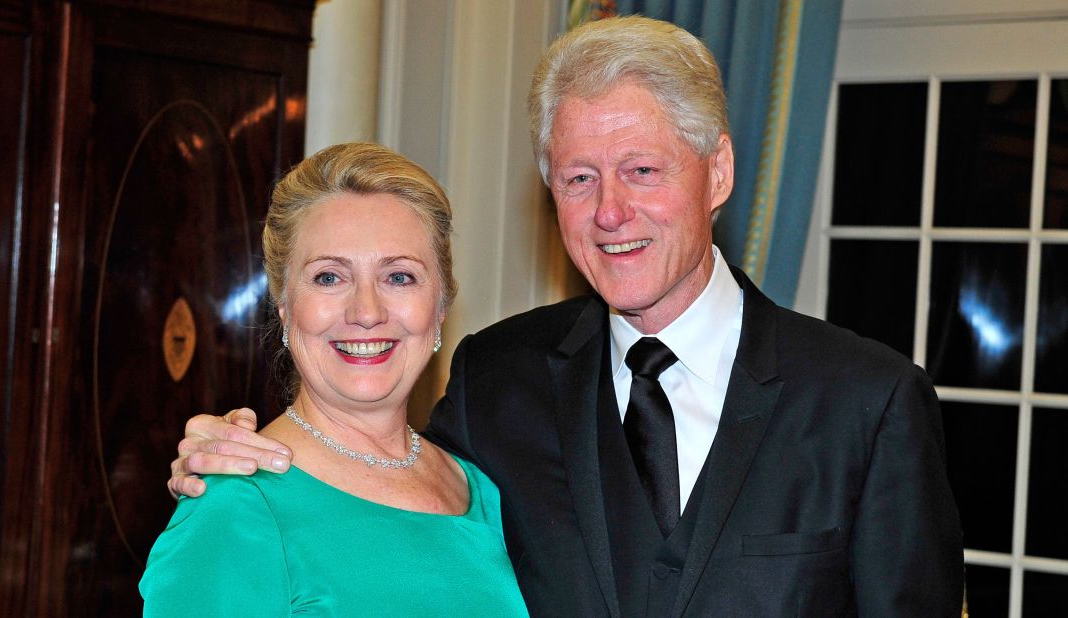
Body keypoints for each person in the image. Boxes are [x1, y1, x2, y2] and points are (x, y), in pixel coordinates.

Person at [168, 16, 964, 617]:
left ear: (717, 172)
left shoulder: (870, 404)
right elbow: (367, 483)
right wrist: (220, 450)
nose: (610, 211)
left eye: (642, 170)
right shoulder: (496, 381)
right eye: (579, 178)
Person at [140, 143, 528, 616]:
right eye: (328, 277)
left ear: (441, 306)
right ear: (284, 306)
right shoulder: (234, 507)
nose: (366, 312)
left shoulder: (480, 489)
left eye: (400, 277)